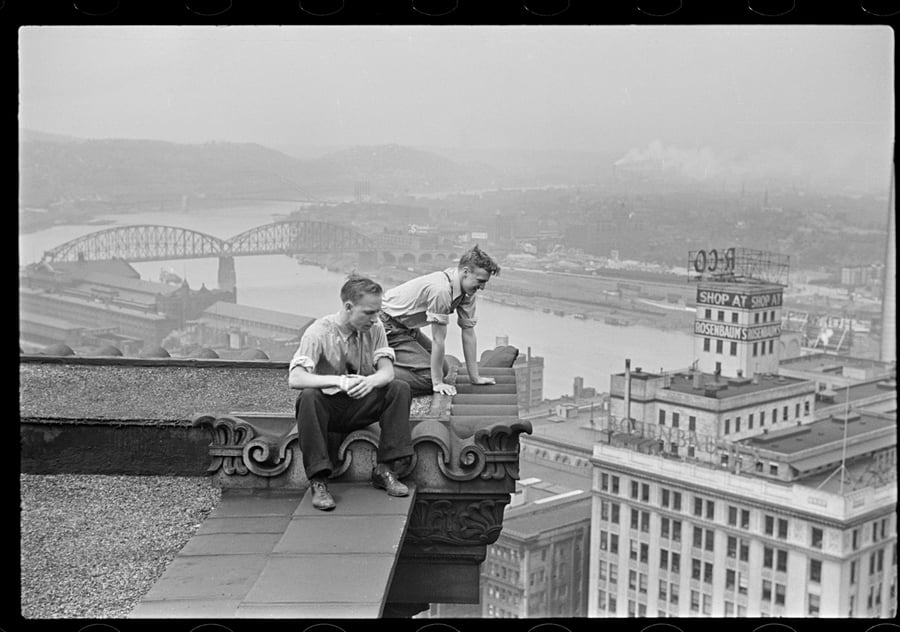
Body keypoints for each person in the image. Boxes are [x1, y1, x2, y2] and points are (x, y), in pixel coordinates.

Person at [288, 274, 413, 511]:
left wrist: (371, 382)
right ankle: (318, 481)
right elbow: (295, 378)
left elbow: (387, 372)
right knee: (308, 397)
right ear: (348, 307)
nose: (375, 318)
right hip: (330, 408)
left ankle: (386, 470)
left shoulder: (375, 329)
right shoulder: (318, 332)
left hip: (361, 405)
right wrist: (339, 381)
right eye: (368, 312)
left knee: (399, 389)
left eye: (377, 311)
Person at [379, 245, 501, 396]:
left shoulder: (467, 291)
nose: (482, 287)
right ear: (465, 272)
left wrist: (475, 377)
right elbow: (438, 339)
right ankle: (370, 371)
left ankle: (388, 363)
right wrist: (437, 383)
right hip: (386, 327)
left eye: (485, 282)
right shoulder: (441, 290)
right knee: (429, 378)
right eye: (480, 281)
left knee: (443, 369)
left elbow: (468, 333)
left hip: (407, 328)